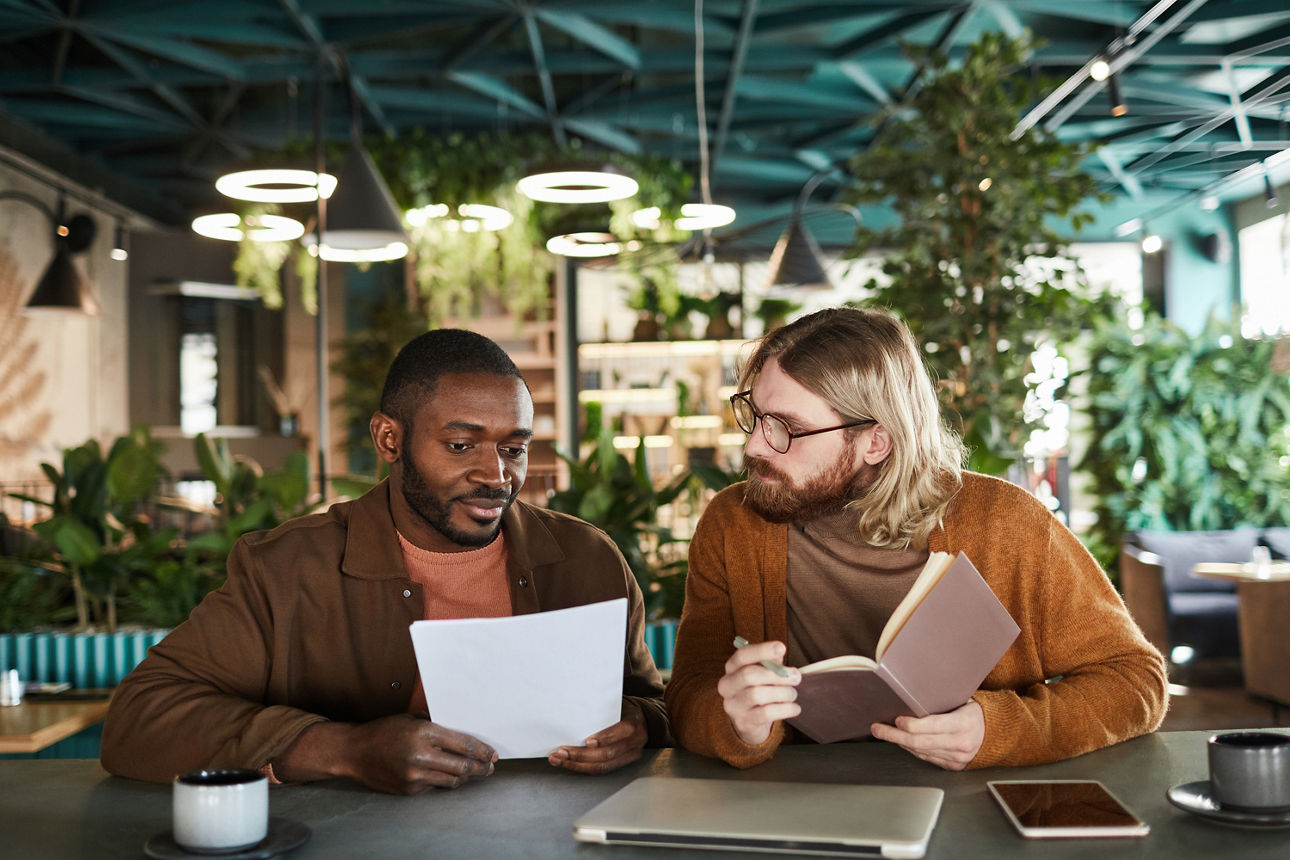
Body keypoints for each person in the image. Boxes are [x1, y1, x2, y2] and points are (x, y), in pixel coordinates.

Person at [101, 329, 670, 794]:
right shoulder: (286, 570)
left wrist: (641, 724)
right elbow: (138, 719)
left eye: (514, 448)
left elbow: (656, 706)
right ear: (389, 439)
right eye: (460, 446)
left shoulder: (590, 560)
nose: (497, 476)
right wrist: (343, 750)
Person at [665, 307, 1167, 771]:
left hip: (971, 812)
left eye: (787, 428)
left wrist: (997, 728)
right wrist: (737, 724)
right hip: (792, 802)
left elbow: (1137, 681)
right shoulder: (733, 523)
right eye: (755, 414)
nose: (754, 445)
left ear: (874, 442)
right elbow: (688, 692)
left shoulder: (1009, 524)